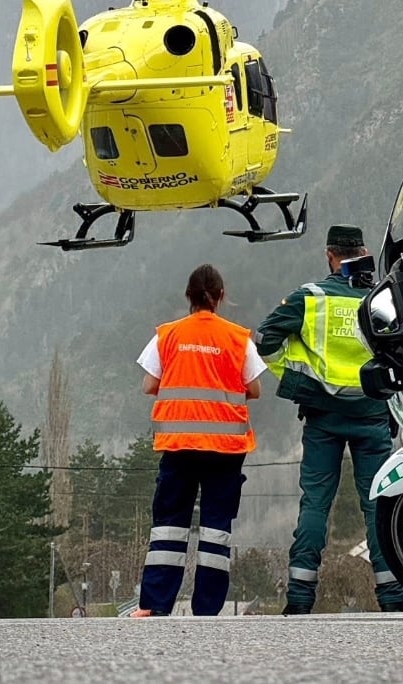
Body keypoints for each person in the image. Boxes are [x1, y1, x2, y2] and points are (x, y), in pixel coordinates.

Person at [256, 223, 403, 614]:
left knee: (315, 506)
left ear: (330, 255)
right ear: (362, 252)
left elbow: (267, 341)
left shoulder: (308, 299)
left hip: (323, 417)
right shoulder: (385, 300)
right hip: (373, 414)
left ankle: (299, 599)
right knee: (379, 504)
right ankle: (393, 598)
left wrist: (299, 381)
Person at [132, 263, 266, 617]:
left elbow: (149, 385)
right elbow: (254, 388)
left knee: (169, 526)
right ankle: (207, 609)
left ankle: (154, 605)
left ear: (188, 297)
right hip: (225, 450)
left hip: (179, 446)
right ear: (221, 297)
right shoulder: (238, 338)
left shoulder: (167, 335)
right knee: (215, 528)